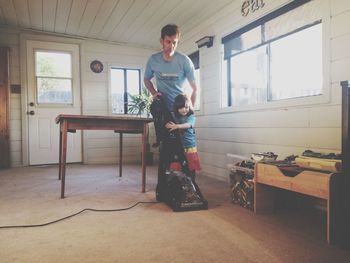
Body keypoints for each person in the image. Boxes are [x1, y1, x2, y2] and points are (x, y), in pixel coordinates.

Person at [144, 24, 198, 112]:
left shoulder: (185, 60)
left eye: (174, 42)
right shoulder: (153, 60)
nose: (172, 46)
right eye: (168, 42)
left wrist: (190, 110)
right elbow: (146, 79)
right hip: (162, 108)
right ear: (162, 41)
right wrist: (154, 92)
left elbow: (195, 88)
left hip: (180, 109)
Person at [165, 94, 201, 180]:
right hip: (179, 146)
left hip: (189, 146)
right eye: (181, 108)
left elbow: (188, 125)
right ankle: (182, 184)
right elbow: (168, 123)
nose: (184, 110)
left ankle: (192, 183)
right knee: (179, 166)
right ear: (176, 108)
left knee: (191, 166)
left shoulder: (191, 117)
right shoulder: (175, 116)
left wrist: (177, 126)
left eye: (186, 107)